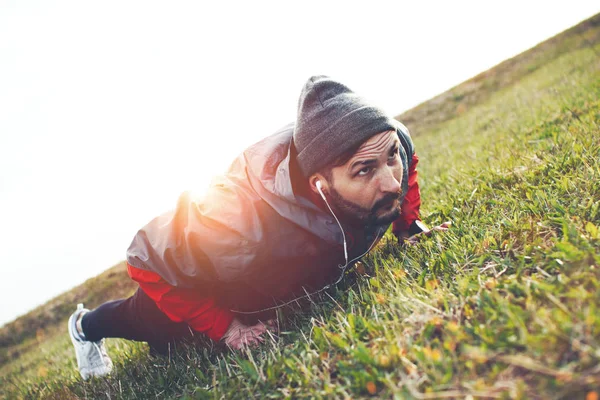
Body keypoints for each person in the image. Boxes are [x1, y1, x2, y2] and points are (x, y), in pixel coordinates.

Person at [68, 75, 451, 380]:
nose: (389, 182)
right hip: (201, 285)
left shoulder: (385, 140)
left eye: (390, 160)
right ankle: (85, 326)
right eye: (365, 170)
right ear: (320, 183)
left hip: (268, 277)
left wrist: (408, 225)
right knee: (156, 331)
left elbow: (406, 158)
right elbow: (145, 260)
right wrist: (227, 328)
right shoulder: (234, 217)